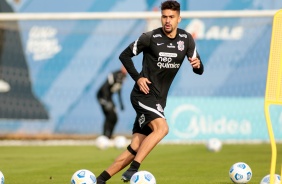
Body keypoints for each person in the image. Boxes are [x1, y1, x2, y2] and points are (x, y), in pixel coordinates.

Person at [96, 1, 204, 183]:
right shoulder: (150, 37)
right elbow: (124, 55)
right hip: (142, 95)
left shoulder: (186, 40)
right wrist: (138, 77)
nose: (167, 20)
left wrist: (198, 65)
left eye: (171, 17)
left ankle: (100, 180)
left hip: (159, 100)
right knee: (162, 128)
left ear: (179, 18)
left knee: (136, 146)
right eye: (164, 16)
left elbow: (198, 68)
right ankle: (134, 170)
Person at [97, 66, 127, 139]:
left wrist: (121, 104)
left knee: (115, 118)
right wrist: (106, 101)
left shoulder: (124, 77)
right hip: (102, 96)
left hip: (109, 98)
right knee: (109, 116)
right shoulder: (115, 74)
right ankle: (104, 137)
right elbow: (105, 87)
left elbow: (119, 90)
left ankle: (109, 136)